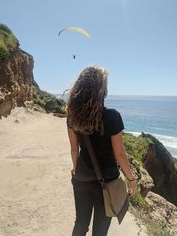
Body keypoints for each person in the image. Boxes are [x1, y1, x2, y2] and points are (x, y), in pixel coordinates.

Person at [67, 65, 137, 236]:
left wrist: (76, 170)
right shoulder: (112, 116)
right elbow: (120, 154)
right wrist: (131, 179)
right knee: (100, 230)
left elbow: (74, 150)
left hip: (82, 178)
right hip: (108, 181)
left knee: (80, 223)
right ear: (102, 90)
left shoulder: (72, 115)